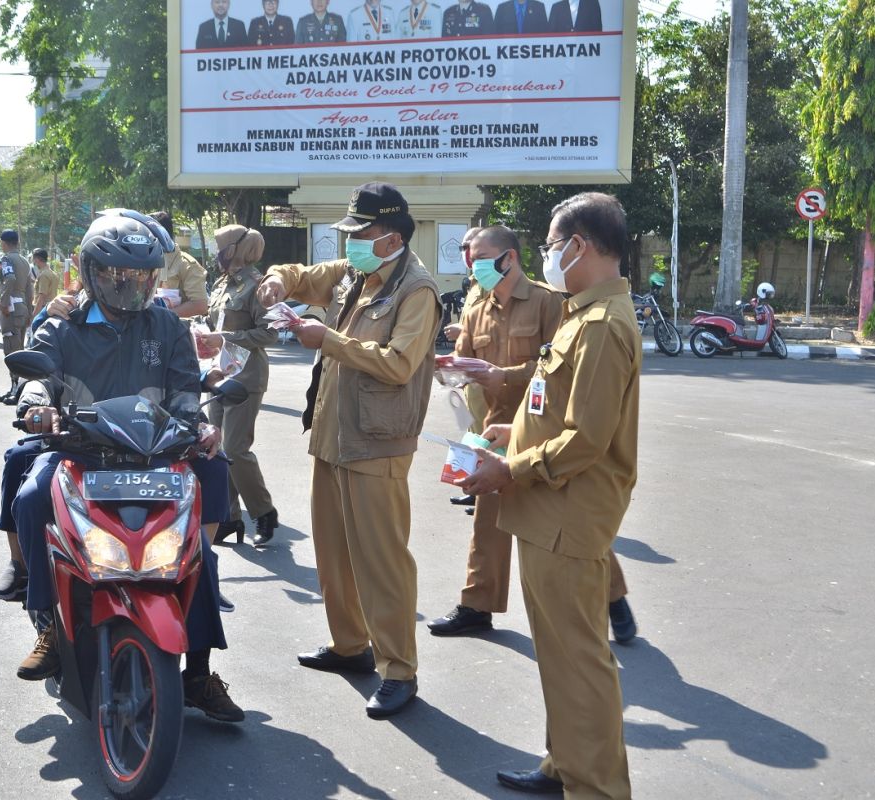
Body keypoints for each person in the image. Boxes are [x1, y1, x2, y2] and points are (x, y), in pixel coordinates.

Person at [11, 210, 244, 722]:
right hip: (79, 450)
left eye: (139, 277)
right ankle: (49, 620)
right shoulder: (63, 323)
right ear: (92, 272)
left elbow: (185, 388)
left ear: (154, 277)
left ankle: (199, 673)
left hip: (154, 454)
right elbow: (39, 374)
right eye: (117, 275)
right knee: (30, 499)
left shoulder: (167, 325)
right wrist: (37, 406)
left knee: (197, 549)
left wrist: (199, 426)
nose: (127, 286)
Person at [456, 193, 637, 798]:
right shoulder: (583, 315)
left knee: (580, 662)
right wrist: (517, 431)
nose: (550, 255)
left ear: (580, 246)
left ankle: (597, 787)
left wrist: (510, 468)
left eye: (554, 245)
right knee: (560, 659)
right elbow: (561, 411)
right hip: (548, 513)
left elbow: (587, 440)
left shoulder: (604, 325)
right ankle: (565, 763)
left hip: (569, 515)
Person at [258, 183, 439, 719]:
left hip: (377, 441)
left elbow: (400, 362)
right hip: (333, 434)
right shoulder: (357, 272)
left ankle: (399, 670)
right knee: (333, 554)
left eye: (361, 233)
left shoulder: (416, 290)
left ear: (390, 238)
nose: (352, 241)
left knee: (381, 561)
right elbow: (298, 276)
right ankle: (350, 646)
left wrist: (327, 340)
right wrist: (274, 283)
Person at [427, 225, 637, 643]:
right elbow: (467, 357)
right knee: (486, 520)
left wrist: (502, 375)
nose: (473, 263)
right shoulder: (476, 306)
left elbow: (560, 368)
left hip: (543, 427)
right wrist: (451, 368)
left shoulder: (547, 302)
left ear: (510, 258)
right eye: (469, 256)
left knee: (566, 526)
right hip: (493, 426)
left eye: (481, 255)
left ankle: (612, 595)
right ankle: (476, 605)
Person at [198, 224, 280, 547]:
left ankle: (264, 513)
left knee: (235, 448)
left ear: (235, 250)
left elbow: (269, 333)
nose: (217, 254)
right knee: (216, 450)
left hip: (246, 376)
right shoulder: (222, 283)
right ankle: (229, 517)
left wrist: (226, 338)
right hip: (220, 373)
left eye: (221, 248)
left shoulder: (256, 286)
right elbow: (214, 322)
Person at [149, 212, 210, 318]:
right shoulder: (148, 261)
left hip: (177, 329)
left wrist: (163, 317)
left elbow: (200, 305)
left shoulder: (187, 265)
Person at [0, 230, 33, 403]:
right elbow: (29, 287)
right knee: (20, 348)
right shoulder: (25, 261)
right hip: (22, 306)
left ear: (4, 242)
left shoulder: (6, 259)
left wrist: (3, 302)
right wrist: (30, 310)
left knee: (11, 350)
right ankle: (17, 387)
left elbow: (9, 279)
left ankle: (15, 389)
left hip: (10, 308)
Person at [31, 248, 60, 319]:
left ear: (37, 259)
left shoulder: (43, 275)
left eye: (33, 259)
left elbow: (42, 297)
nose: (33, 261)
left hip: (42, 310)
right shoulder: (53, 274)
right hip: (51, 308)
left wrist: (34, 316)